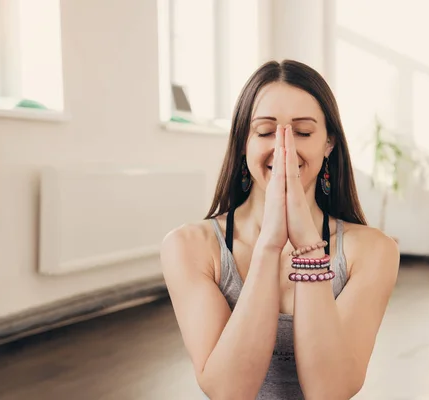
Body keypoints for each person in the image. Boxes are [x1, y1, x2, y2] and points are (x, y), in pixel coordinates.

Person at [160, 59, 400, 399]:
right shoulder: (189, 246)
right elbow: (228, 391)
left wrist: (309, 247)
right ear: (243, 141)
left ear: (329, 143)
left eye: (302, 132)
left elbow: (329, 392)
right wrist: (269, 247)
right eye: (264, 131)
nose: (283, 146)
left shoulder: (374, 250)